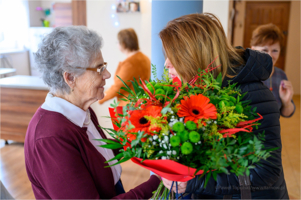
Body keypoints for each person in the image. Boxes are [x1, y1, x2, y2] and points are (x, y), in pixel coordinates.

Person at [160, 13, 288, 199]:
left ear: (195, 56)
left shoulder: (254, 95)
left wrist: (196, 182)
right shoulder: (193, 88)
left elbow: (265, 172)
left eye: (174, 56)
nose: (166, 64)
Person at [24, 26, 160, 199]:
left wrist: (142, 144)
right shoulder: (50, 139)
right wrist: (156, 182)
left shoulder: (81, 110)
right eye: (99, 68)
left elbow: (99, 153)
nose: (108, 74)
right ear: (70, 78)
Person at [251, 23, 295, 117]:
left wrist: (286, 103)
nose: (270, 56)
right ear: (253, 50)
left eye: (275, 50)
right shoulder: (245, 74)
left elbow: (286, 114)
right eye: (264, 50)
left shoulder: (281, 75)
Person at [98, 28, 150, 106]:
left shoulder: (129, 63)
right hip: (143, 102)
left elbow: (118, 87)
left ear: (123, 44)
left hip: (130, 106)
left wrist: (101, 98)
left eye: (118, 42)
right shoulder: (145, 58)